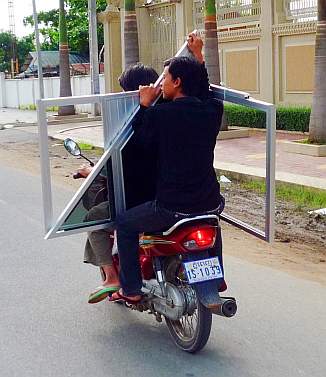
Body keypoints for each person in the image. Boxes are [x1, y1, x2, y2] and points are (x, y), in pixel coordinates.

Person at [110, 37, 224, 303]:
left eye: (166, 79)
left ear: (177, 83)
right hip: (210, 202)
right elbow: (204, 89)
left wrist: (144, 104)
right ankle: (216, 278)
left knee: (125, 224)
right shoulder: (212, 110)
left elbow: (140, 139)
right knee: (212, 222)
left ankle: (131, 290)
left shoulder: (161, 115)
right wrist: (199, 57)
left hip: (172, 206)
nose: (162, 84)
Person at [77, 63, 159, 303]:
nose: (122, 96)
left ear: (137, 92)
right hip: (172, 195)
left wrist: (92, 171)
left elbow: (122, 167)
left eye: (125, 91)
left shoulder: (132, 122)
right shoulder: (167, 114)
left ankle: (112, 278)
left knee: (94, 218)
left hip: (139, 199)